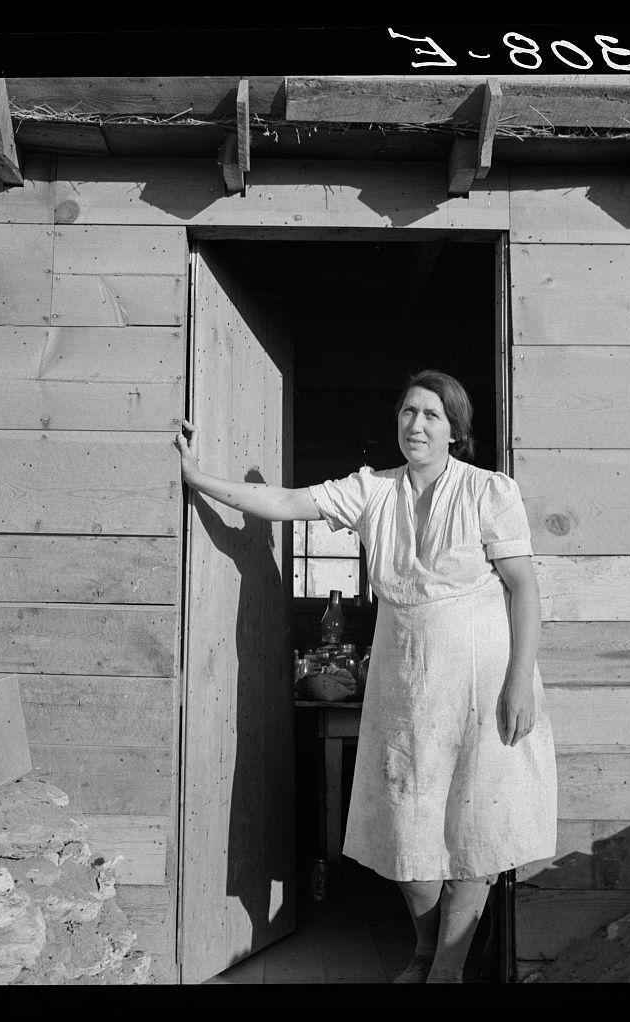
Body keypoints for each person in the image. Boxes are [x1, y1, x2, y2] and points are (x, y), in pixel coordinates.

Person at [174, 369, 557, 984]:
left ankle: (446, 970)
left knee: (475, 825)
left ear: (455, 429)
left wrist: (518, 681)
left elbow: (525, 589)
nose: (417, 425)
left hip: (483, 682)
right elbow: (287, 501)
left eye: (432, 415)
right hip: (404, 683)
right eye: (408, 412)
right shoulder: (372, 490)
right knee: (407, 829)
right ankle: (428, 949)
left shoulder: (490, 492)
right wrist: (198, 479)